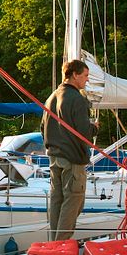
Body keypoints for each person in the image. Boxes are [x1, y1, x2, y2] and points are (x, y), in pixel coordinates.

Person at [41, 59, 98, 241]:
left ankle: (54, 243)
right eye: (85, 76)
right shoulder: (77, 99)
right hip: (72, 159)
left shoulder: (51, 97)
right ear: (75, 75)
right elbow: (83, 133)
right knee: (73, 201)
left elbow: (43, 128)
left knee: (57, 201)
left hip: (54, 157)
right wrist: (95, 127)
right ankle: (62, 244)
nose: (87, 80)